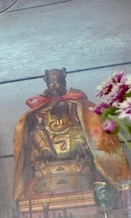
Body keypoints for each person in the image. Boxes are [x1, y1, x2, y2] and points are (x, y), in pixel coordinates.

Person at [13, 68, 131, 210]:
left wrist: (69, 109)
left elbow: (87, 120)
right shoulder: (41, 106)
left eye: (57, 82)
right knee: (37, 132)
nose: (54, 86)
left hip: (71, 138)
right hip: (50, 142)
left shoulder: (76, 102)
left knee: (80, 132)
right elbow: (33, 124)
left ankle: (79, 154)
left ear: (64, 83)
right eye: (50, 83)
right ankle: (45, 154)